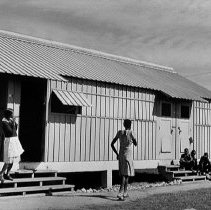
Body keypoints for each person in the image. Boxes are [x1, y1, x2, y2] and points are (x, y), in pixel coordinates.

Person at [111, 119, 137, 200]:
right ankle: (120, 193)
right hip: (128, 154)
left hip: (121, 154)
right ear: (130, 125)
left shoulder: (119, 132)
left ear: (124, 124)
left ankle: (125, 192)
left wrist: (117, 154)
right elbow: (136, 143)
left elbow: (112, 144)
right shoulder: (131, 132)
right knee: (125, 175)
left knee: (125, 173)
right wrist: (133, 141)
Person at [0, 109, 24, 182]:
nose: (13, 115)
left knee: (12, 159)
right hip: (9, 141)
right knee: (8, 160)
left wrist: (14, 124)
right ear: (9, 115)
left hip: (14, 140)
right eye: (12, 114)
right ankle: (1, 174)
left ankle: (7, 174)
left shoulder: (9, 120)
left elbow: (15, 130)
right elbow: (10, 132)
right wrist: (13, 123)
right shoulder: (4, 122)